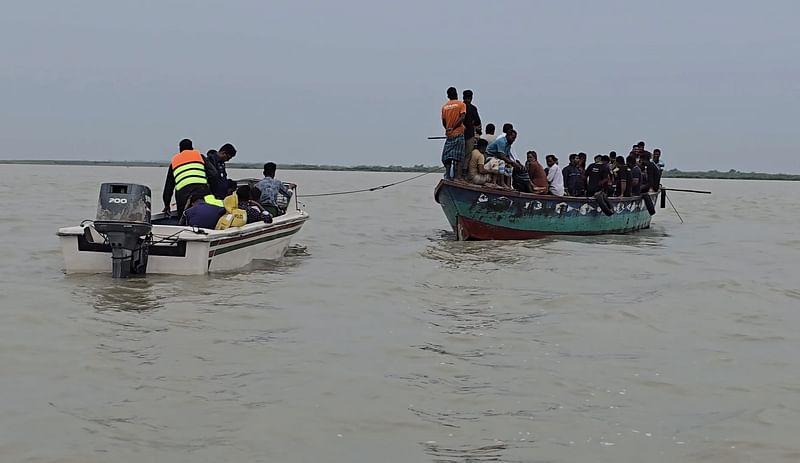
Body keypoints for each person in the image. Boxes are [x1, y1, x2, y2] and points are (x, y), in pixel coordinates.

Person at [162, 138, 218, 218]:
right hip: (202, 190)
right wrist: (212, 191)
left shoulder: (174, 162)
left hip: (183, 194)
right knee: (205, 213)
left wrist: (167, 205)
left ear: (180, 149)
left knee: (184, 217)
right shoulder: (200, 157)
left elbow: (168, 187)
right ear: (192, 148)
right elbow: (214, 174)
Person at [440, 87, 467, 180]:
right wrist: (454, 127)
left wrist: (448, 128)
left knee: (447, 157)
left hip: (449, 135)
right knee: (459, 157)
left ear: (448, 96)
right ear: (456, 94)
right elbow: (462, 117)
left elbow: (443, 121)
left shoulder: (444, 107)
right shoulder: (461, 104)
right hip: (458, 133)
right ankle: (458, 177)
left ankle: (448, 176)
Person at [461, 90, 482, 177]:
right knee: (467, 155)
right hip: (469, 135)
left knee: (459, 154)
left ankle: (455, 174)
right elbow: (477, 122)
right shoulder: (473, 108)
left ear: (463, 97)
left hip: (459, 134)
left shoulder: (460, 106)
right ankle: (464, 174)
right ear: (472, 97)